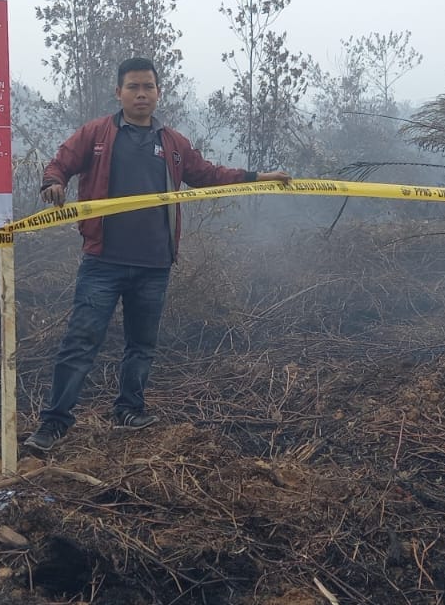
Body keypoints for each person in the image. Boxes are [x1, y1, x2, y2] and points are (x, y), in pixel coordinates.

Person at [23, 58, 291, 453]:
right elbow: (60, 163)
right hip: (103, 263)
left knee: (142, 345)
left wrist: (257, 177)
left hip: (154, 265)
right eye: (133, 87)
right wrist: (53, 183)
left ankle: (129, 410)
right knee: (80, 342)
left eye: (148, 86)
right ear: (119, 93)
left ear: (158, 92)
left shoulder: (173, 143)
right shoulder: (96, 134)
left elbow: (207, 174)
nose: (141, 94)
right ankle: (54, 424)